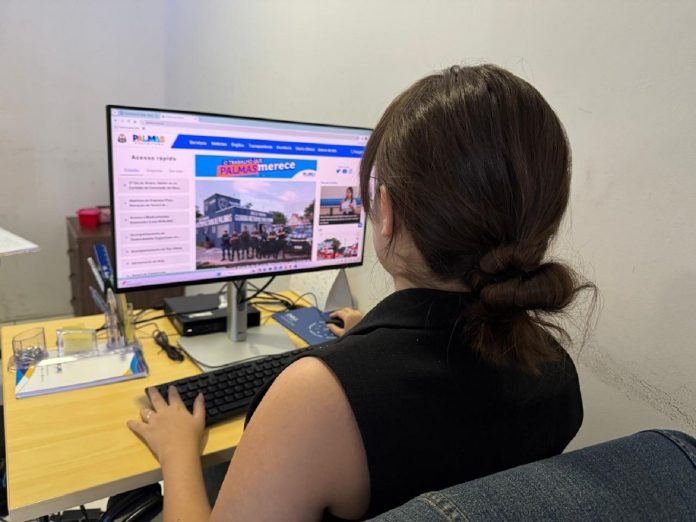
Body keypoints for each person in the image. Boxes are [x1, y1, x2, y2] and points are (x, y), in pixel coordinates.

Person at [128, 65, 593, 521]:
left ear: (386, 211)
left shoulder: (316, 399)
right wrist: (370, 336)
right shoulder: (555, 369)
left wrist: (177, 452)